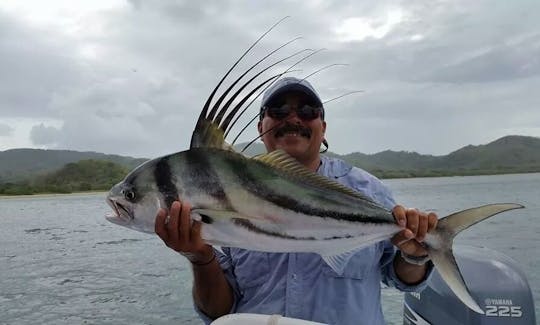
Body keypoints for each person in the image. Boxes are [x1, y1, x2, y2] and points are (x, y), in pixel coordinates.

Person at [155, 77, 438, 325]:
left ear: (323, 128)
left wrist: (415, 254)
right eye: (277, 110)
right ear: (260, 127)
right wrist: (200, 257)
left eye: (307, 110)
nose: (292, 119)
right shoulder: (223, 193)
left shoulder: (368, 191)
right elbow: (220, 313)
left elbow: (402, 278)